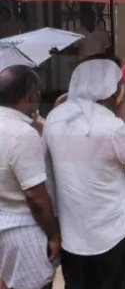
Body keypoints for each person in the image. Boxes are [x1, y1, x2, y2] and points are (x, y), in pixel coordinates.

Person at [43, 59, 125, 289]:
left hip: (72, 234)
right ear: (111, 90)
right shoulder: (111, 126)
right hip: (113, 232)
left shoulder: (54, 119)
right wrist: (123, 119)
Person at [53, 53, 125, 229]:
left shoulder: (64, 118)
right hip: (113, 216)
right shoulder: (123, 123)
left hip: (78, 211)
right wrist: (122, 120)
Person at [0, 66, 60, 289]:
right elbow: (35, 197)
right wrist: (54, 235)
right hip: (23, 231)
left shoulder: (18, 129)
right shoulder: (23, 135)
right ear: (32, 95)